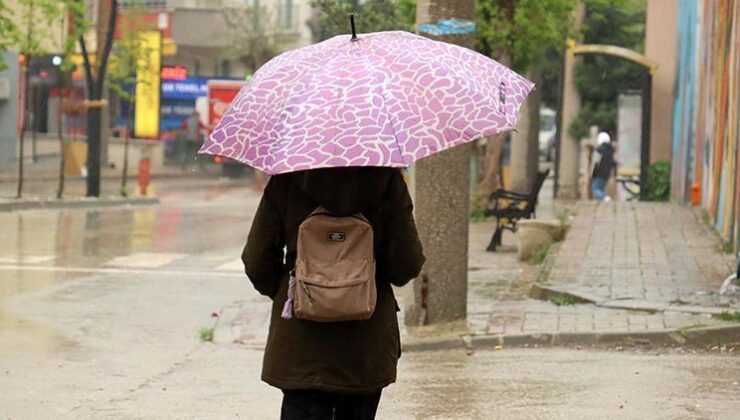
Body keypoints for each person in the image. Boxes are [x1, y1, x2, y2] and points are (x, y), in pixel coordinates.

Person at [242, 167, 425, 420]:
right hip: (365, 343)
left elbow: (256, 260)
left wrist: (291, 291)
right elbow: (406, 265)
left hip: (301, 340)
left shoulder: (287, 178)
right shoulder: (386, 179)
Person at [591, 131, 616, 201]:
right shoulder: (611, 151)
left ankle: (605, 198)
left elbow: (595, 162)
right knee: (600, 189)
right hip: (607, 174)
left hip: (598, 173)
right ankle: (604, 199)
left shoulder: (599, 150)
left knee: (595, 189)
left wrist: (592, 173)